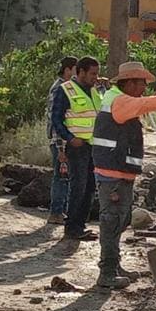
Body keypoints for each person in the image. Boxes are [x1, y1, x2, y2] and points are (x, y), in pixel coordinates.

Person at [92, 61, 156, 289]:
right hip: (112, 173)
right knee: (112, 221)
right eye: (141, 83)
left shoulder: (120, 99)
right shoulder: (120, 101)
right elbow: (145, 104)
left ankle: (114, 265)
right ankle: (106, 272)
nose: (144, 88)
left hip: (120, 172)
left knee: (121, 220)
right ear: (130, 82)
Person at [52, 57, 103, 243]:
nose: (95, 77)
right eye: (93, 73)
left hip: (93, 146)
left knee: (89, 187)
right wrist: (69, 138)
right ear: (80, 72)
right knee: (78, 186)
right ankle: (72, 227)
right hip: (78, 147)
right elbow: (56, 119)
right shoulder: (65, 90)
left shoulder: (96, 92)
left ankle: (80, 225)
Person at [46, 56, 78, 224]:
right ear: (67, 70)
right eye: (75, 70)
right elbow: (56, 119)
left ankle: (60, 212)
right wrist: (60, 148)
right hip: (60, 142)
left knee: (64, 176)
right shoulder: (59, 88)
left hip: (64, 141)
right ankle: (56, 212)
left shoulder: (67, 87)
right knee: (61, 176)